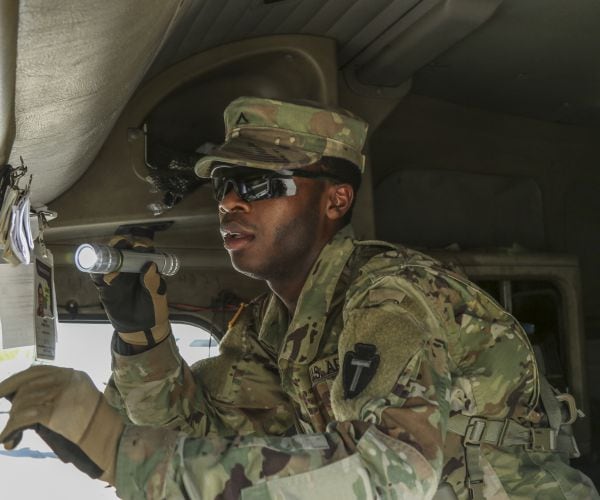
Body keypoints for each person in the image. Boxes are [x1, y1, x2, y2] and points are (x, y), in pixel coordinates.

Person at [0, 97, 597, 499]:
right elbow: (205, 436)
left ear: (335, 201)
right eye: (226, 186)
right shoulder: (273, 325)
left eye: (258, 184)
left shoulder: (386, 301)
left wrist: (117, 450)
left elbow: (389, 475)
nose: (231, 203)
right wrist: (144, 343)